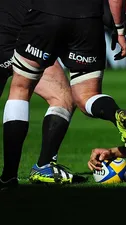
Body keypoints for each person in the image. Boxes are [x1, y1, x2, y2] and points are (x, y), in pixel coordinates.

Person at [1, 0, 126, 191]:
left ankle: (9, 176)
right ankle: (115, 114)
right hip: (88, 20)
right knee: (87, 95)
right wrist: (119, 29)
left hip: (46, 14)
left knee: (20, 88)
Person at [0, 0, 75, 188]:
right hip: (25, 37)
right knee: (56, 96)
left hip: (27, 39)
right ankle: (36, 167)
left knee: (63, 97)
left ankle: (42, 166)